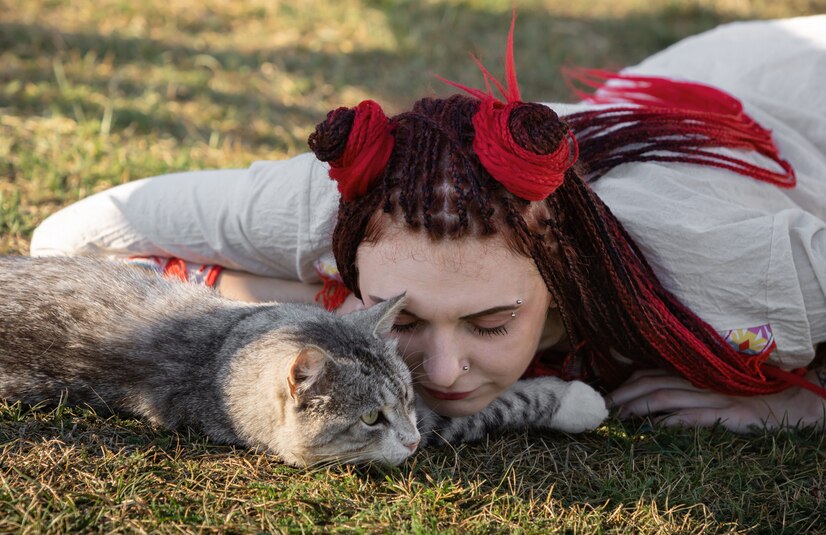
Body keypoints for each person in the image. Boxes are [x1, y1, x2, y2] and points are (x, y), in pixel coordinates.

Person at [30, 15, 826, 432]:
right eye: (404, 316)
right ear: (346, 256)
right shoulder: (323, 205)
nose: (442, 372)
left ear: (559, 260)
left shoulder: (733, 266)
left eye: (491, 320)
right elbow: (69, 240)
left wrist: (801, 403)